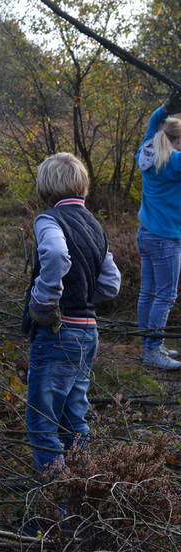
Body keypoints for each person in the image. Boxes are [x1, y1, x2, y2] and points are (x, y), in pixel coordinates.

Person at [22, 153, 120, 473]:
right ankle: (81, 489)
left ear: (45, 186)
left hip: (59, 332)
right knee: (74, 419)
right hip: (88, 331)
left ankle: (58, 505)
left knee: (42, 423)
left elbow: (55, 253)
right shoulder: (95, 225)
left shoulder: (49, 219)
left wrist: (46, 301)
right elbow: (112, 284)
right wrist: (84, 296)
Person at [136, 89, 181, 370]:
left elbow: (155, 122)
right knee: (165, 295)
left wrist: (166, 107)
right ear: (176, 140)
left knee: (148, 293)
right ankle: (152, 350)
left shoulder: (147, 152)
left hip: (146, 235)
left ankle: (150, 344)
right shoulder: (175, 163)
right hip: (166, 240)